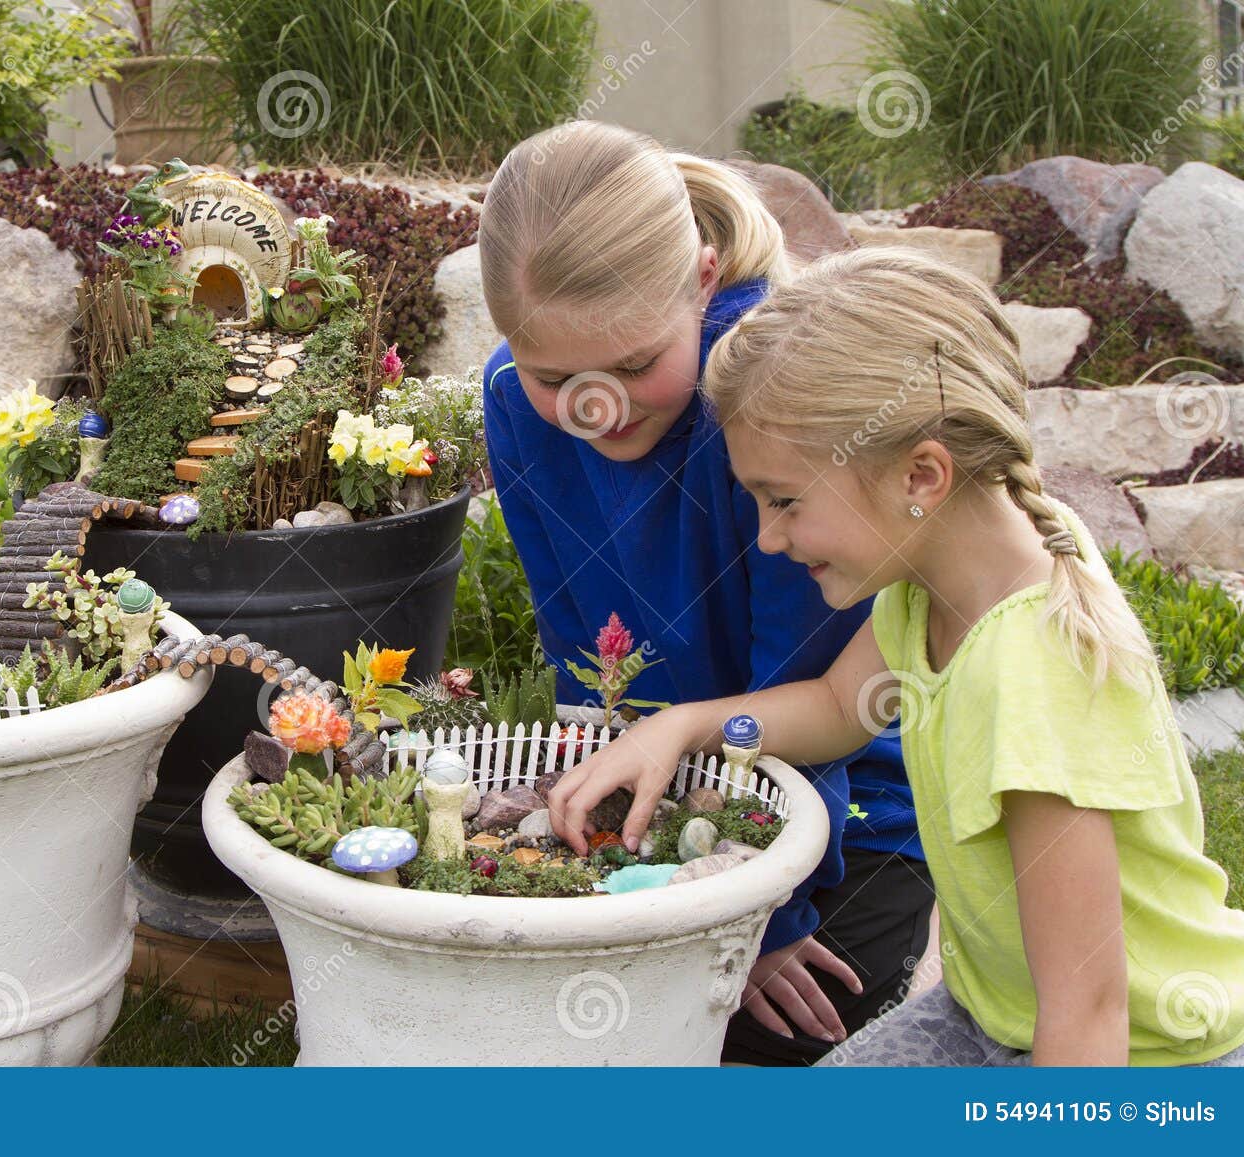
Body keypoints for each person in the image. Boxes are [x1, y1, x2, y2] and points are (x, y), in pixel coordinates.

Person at [548, 246, 1244, 1066]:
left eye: (786, 501)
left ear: (922, 473)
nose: (769, 538)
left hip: (1146, 1060)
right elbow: (840, 709)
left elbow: (1089, 1014)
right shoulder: (939, 578)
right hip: (994, 1011)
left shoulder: (1033, 676)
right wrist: (684, 728)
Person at [477, 120, 932, 1063]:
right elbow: (582, 643)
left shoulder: (769, 403)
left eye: (637, 363)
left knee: (750, 1059)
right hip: (660, 776)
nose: (596, 405)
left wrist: (766, 920)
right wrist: (592, 809)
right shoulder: (515, 406)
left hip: (841, 809)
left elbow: (809, 688)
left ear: (704, 278)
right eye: (556, 375)